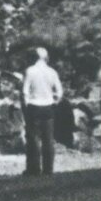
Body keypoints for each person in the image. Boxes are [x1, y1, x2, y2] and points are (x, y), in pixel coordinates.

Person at [20, 47, 63, 176]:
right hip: (48, 107)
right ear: (45, 57)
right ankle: (48, 169)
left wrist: (25, 107)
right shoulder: (52, 71)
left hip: (34, 106)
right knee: (48, 139)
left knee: (33, 139)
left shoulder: (30, 71)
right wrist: (55, 102)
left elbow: (24, 92)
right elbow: (59, 92)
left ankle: (34, 169)